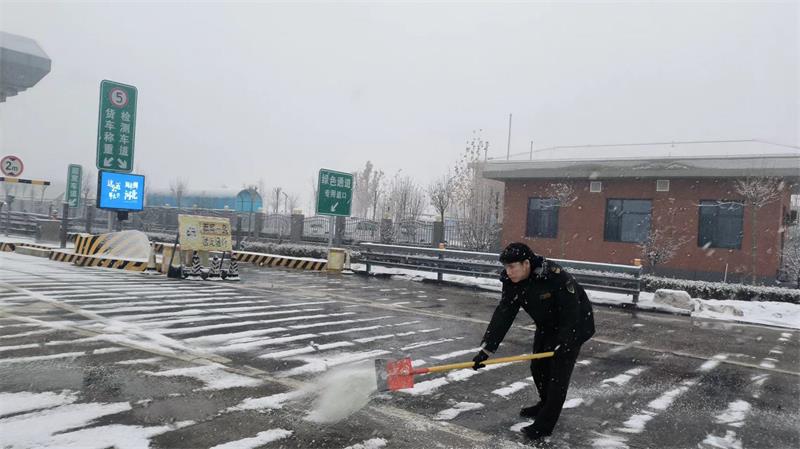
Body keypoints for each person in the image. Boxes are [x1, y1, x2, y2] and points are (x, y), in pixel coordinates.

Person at [472, 242, 595, 442]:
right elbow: (504, 314)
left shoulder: (554, 276)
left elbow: (572, 311)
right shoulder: (512, 282)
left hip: (575, 326)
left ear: (526, 263)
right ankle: (544, 404)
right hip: (547, 326)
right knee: (538, 368)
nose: (508, 271)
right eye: (506, 267)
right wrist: (486, 350)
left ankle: (545, 425)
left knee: (558, 376)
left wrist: (566, 342)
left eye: (512, 267)